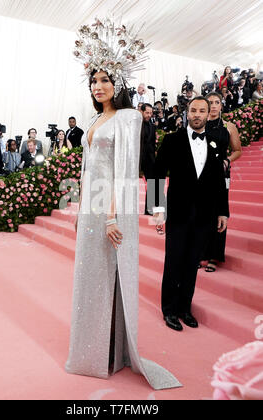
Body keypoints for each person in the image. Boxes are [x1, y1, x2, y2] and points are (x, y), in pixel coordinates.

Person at [66, 17, 181, 391]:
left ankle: (112, 352)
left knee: (108, 277)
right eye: (93, 81)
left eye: (104, 80)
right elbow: (86, 170)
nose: (98, 87)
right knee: (90, 279)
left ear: (118, 84)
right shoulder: (93, 120)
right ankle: (94, 352)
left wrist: (113, 215)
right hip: (91, 208)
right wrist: (78, 210)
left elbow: (125, 172)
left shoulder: (128, 118)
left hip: (113, 209)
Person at [153, 97, 229, 332]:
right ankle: (169, 310)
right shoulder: (172, 140)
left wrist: (223, 211)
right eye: (193, 110)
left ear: (209, 114)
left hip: (205, 215)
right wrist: (157, 208)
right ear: (187, 113)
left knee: (192, 262)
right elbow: (156, 173)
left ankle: (185, 308)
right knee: (174, 261)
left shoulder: (216, 142)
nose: (197, 114)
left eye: (202, 110)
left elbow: (220, 181)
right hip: (178, 212)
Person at [200, 92, 242, 272]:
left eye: (217, 102)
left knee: (219, 211)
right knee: (201, 212)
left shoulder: (229, 126)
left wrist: (227, 161)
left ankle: (214, 256)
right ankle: (200, 252)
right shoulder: (198, 125)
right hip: (201, 176)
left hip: (222, 175)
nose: (214, 105)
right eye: (211, 102)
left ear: (221, 104)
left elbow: (237, 150)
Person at [140, 103, 156, 215]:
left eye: (150, 113)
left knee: (153, 183)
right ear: (141, 111)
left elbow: (152, 144)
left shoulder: (152, 125)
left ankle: (149, 209)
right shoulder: (134, 125)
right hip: (136, 158)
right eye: (147, 113)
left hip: (149, 159)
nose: (149, 115)